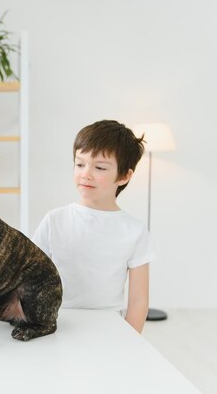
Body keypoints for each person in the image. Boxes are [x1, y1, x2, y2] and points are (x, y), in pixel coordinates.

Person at [32, 120, 154, 332]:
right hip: (56, 323)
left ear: (124, 176)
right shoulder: (55, 220)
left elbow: (138, 301)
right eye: (80, 164)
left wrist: (129, 342)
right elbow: (28, 276)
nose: (85, 174)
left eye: (99, 167)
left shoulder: (135, 231)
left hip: (107, 327)